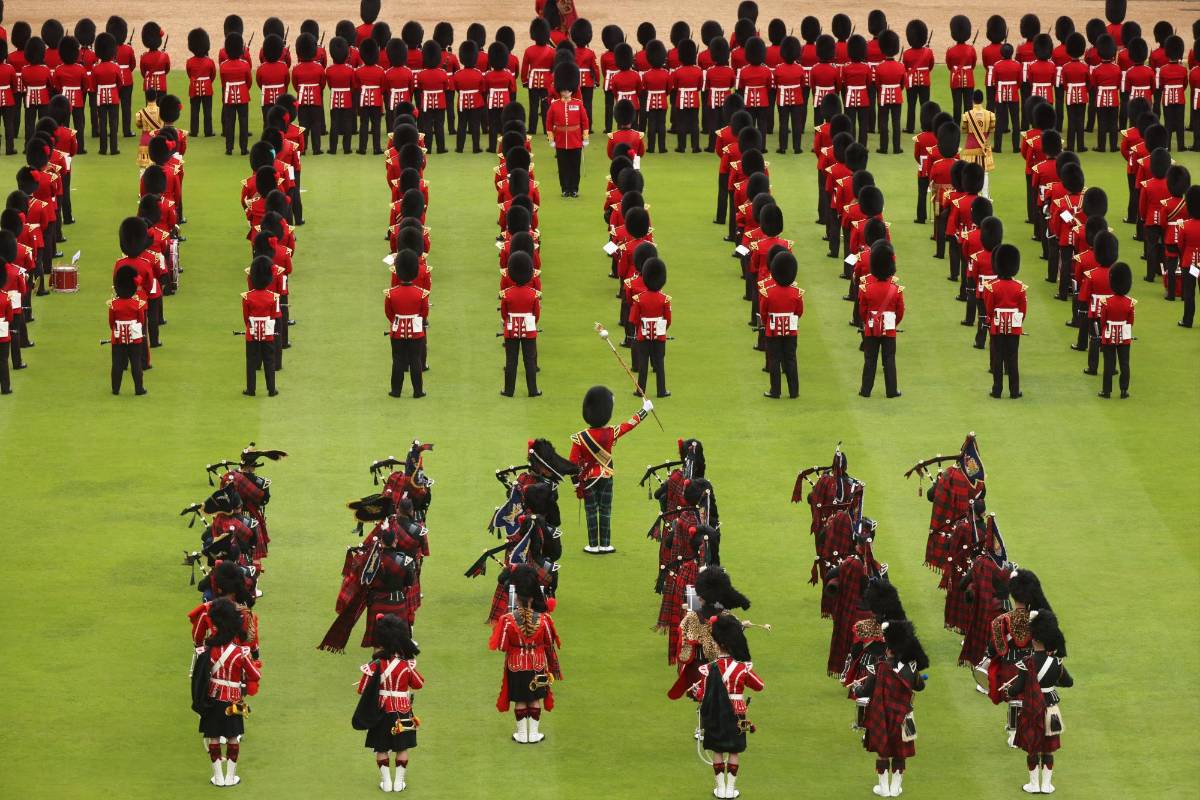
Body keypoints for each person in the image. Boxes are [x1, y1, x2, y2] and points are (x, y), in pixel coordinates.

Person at [569, 385, 652, 553]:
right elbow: (630, 424)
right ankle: (605, 543)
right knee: (606, 510)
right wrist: (645, 410)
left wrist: (576, 484)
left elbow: (572, 463)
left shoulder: (580, 438)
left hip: (588, 479)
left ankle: (593, 545)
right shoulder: (611, 432)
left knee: (591, 512)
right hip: (606, 476)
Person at [692, 614, 764, 800]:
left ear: (717, 644)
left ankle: (721, 789)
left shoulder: (709, 668)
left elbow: (702, 695)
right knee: (734, 750)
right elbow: (759, 685)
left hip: (716, 713)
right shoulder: (742, 668)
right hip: (739, 712)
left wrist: (695, 692)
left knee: (718, 750)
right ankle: (731, 790)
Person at [488, 563, 562, 744]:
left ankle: (522, 735)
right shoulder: (544, 619)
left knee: (520, 700)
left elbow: (502, 646)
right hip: (538, 663)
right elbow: (549, 643)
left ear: (517, 597)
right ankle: (534, 735)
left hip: (516, 664)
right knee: (535, 698)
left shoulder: (507, 620)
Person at [853, 620, 928, 798]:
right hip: (904, 716)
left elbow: (864, 691)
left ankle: (883, 789)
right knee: (900, 752)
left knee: (883, 752)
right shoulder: (911, 668)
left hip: (882, 716)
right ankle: (895, 789)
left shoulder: (879, 668)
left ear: (889, 650)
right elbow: (920, 687)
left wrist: (856, 687)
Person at [193, 598, 261, 787]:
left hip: (213, 699)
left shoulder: (209, 650)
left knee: (213, 737)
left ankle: (218, 777)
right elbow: (255, 674)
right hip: (233, 701)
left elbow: (200, 677)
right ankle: (231, 777)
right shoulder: (239, 652)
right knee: (232, 737)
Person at [353, 614, 424, 793]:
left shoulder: (375, 664)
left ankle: (386, 783)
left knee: (381, 747)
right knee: (402, 747)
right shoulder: (405, 664)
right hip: (403, 711)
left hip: (381, 711)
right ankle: (399, 783)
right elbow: (419, 684)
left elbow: (361, 689)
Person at [1007, 609, 1071, 795]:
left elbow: (1017, 688)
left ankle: (1034, 784)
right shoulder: (1056, 662)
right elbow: (1068, 682)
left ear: (1033, 639)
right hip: (1051, 707)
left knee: (1033, 747)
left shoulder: (1026, 662)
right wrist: (1053, 680)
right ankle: (1047, 785)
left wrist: (1007, 690)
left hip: (1031, 708)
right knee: (1048, 748)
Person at [669, 566, 752, 702]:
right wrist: (742, 626)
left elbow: (683, 645)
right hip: (723, 669)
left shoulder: (691, 617)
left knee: (704, 706)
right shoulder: (726, 617)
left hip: (699, 669)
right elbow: (734, 638)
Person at [858, 242, 904, 398]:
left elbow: (862, 310)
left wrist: (870, 322)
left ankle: (865, 390)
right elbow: (900, 311)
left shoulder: (866, 288)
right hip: (889, 328)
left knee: (870, 359)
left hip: (871, 328)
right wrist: (892, 323)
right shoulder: (896, 289)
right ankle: (891, 390)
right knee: (889, 360)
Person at [384, 249, 429, 398]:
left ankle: (396, 391)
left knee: (397, 360)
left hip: (397, 330)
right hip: (416, 330)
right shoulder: (421, 293)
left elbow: (389, 313)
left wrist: (397, 322)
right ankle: (418, 391)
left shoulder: (391, 293)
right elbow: (424, 313)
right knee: (415, 359)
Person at [759, 250, 804, 398]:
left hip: (772, 330)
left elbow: (763, 312)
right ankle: (794, 391)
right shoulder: (796, 293)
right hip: (790, 330)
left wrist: (767, 324)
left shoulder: (768, 293)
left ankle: (775, 390)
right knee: (791, 359)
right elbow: (799, 312)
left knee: (774, 360)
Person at [984, 244, 1026, 399]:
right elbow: (1023, 311)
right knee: (1012, 358)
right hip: (1014, 327)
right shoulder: (1020, 287)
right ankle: (1014, 391)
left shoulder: (992, 287)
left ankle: (997, 390)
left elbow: (989, 309)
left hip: (996, 327)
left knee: (997, 358)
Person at [499, 250, 541, 397]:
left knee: (511, 360)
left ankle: (508, 390)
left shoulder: (507, 293)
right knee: (529, 360)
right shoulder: (533, 294)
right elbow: (536, 315)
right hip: (529, 327)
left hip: (511, 327)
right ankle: (533, 390)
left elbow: (504, 314)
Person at [545, 61, 588, 197]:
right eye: (563, 90)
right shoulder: (554, 105)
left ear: (572, 89)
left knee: (575, 167)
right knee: (563, 167)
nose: (566, 92)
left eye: (568, 90)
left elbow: (585, 121)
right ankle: (565, 189)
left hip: (575, 140)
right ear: (560, 89)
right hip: (561, 140)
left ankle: (574, 189)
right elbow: (549, 123)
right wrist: (551, 140)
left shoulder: (578, 104)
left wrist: (585, 138)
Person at [630, 256, 671, 397]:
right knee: (659, 363)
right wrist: (661, 330)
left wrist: (641, 328)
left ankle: (640, 390)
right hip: (659, 335)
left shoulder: (639, 298)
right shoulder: (664, 299)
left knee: (643, 363)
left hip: (643, 334)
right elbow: (668, 320)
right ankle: (661, 390)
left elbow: (634, 319)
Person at [241, 255, 279, 397]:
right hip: (268, 333)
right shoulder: (273, 297)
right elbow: (274, 316)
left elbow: (246, 318)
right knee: (269, 360)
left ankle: (251, 389)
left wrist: (251, 327)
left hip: (252, 333)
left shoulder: (247, 297)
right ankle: (271, 389)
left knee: (251, 362)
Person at [107, 263, 147, 395]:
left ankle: (115, 389)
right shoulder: (138, 304)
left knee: (117, 364)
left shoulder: (113, 304)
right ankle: (139, 388)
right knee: (136, 362)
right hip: (134, 338)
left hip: (118, 338)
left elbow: (111, 322)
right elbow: (141, 321)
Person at [1098, 262, 1135, 398]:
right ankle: (1124, 390)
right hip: (1124, 335)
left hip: (1109, 334)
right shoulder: (1130, 303)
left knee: (1109, 363)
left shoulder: (1106, 302)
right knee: (1124, 363)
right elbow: (1131, 322)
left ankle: (1106, 391)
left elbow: (1103, 321)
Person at [220, 33, 251, 156]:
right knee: (243, 122)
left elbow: (223, 83)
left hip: (228, 96)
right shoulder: (245, 65)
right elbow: (249, 82)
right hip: (243, 95)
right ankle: (243, 148)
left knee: (229, 122)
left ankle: (229, 148)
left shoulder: (223, 66)